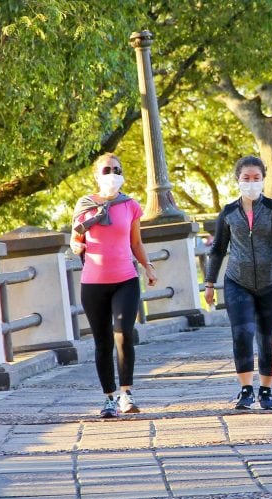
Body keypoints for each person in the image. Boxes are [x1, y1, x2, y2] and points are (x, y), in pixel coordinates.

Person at [204, 155, 272, 410]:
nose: (251, 183)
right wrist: (209, 283)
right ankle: (246, 390)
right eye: (246, 178)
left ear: (263, 180)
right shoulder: (228, 213)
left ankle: (266, 391)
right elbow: (217, 250)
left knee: (267, 338)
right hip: (237, 282)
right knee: (242, 333)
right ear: (238, 179)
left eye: (256, 178)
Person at [70, 153, 158, 419]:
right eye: (106, 170)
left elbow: (136, 243)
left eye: (116, 169)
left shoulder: (130, 205)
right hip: (94, 283)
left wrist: (148, 266)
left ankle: (126, 394)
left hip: (125, 280)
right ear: (97, 176)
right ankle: (108, 398)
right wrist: (76, 246)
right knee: (102, 341)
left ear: (122, 174)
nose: (112, 174)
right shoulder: (84, 204)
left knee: (124, 333)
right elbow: (75, 239)